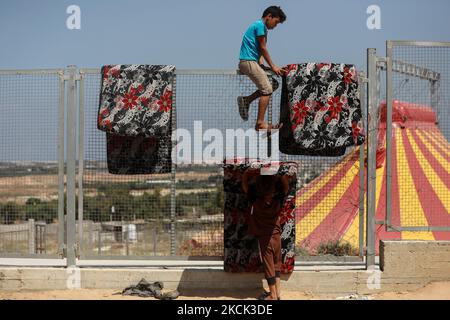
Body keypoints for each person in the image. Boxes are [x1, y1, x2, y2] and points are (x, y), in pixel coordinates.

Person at [242, 169, 290, 300]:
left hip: (264, 237)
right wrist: (281, 176)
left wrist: (247, 173)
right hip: (276, 235)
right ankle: (277, 293)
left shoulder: (256, 202)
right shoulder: (278, 201)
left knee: (268, 266)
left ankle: (273, 296)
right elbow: (286, 188)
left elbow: (245, 186)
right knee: (276, 263)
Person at [237, 6, 287, 131]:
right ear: (269, 16)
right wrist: (273, 66)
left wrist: (261, 65)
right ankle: (259, 124)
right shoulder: (260, 26)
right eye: (276, 22)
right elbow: (263, 48)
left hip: (252, 62)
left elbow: (258, 50)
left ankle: (246, 100)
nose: (275, 26)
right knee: (267, 89)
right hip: (247, 62)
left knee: (272, 84)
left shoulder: (261, 28)